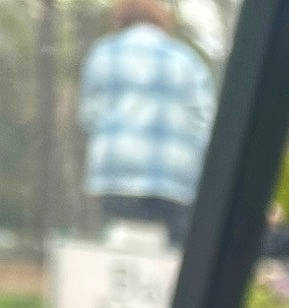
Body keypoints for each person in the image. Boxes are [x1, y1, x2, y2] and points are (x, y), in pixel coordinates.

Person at [78, 0, 215, 248]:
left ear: (121, 20)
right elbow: (205, 121)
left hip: (114, 179)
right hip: (172, 184)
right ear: (161, 20)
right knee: (172, 251)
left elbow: (88, 115)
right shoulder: (186, 60)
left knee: (116, 243)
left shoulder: (103, 54)